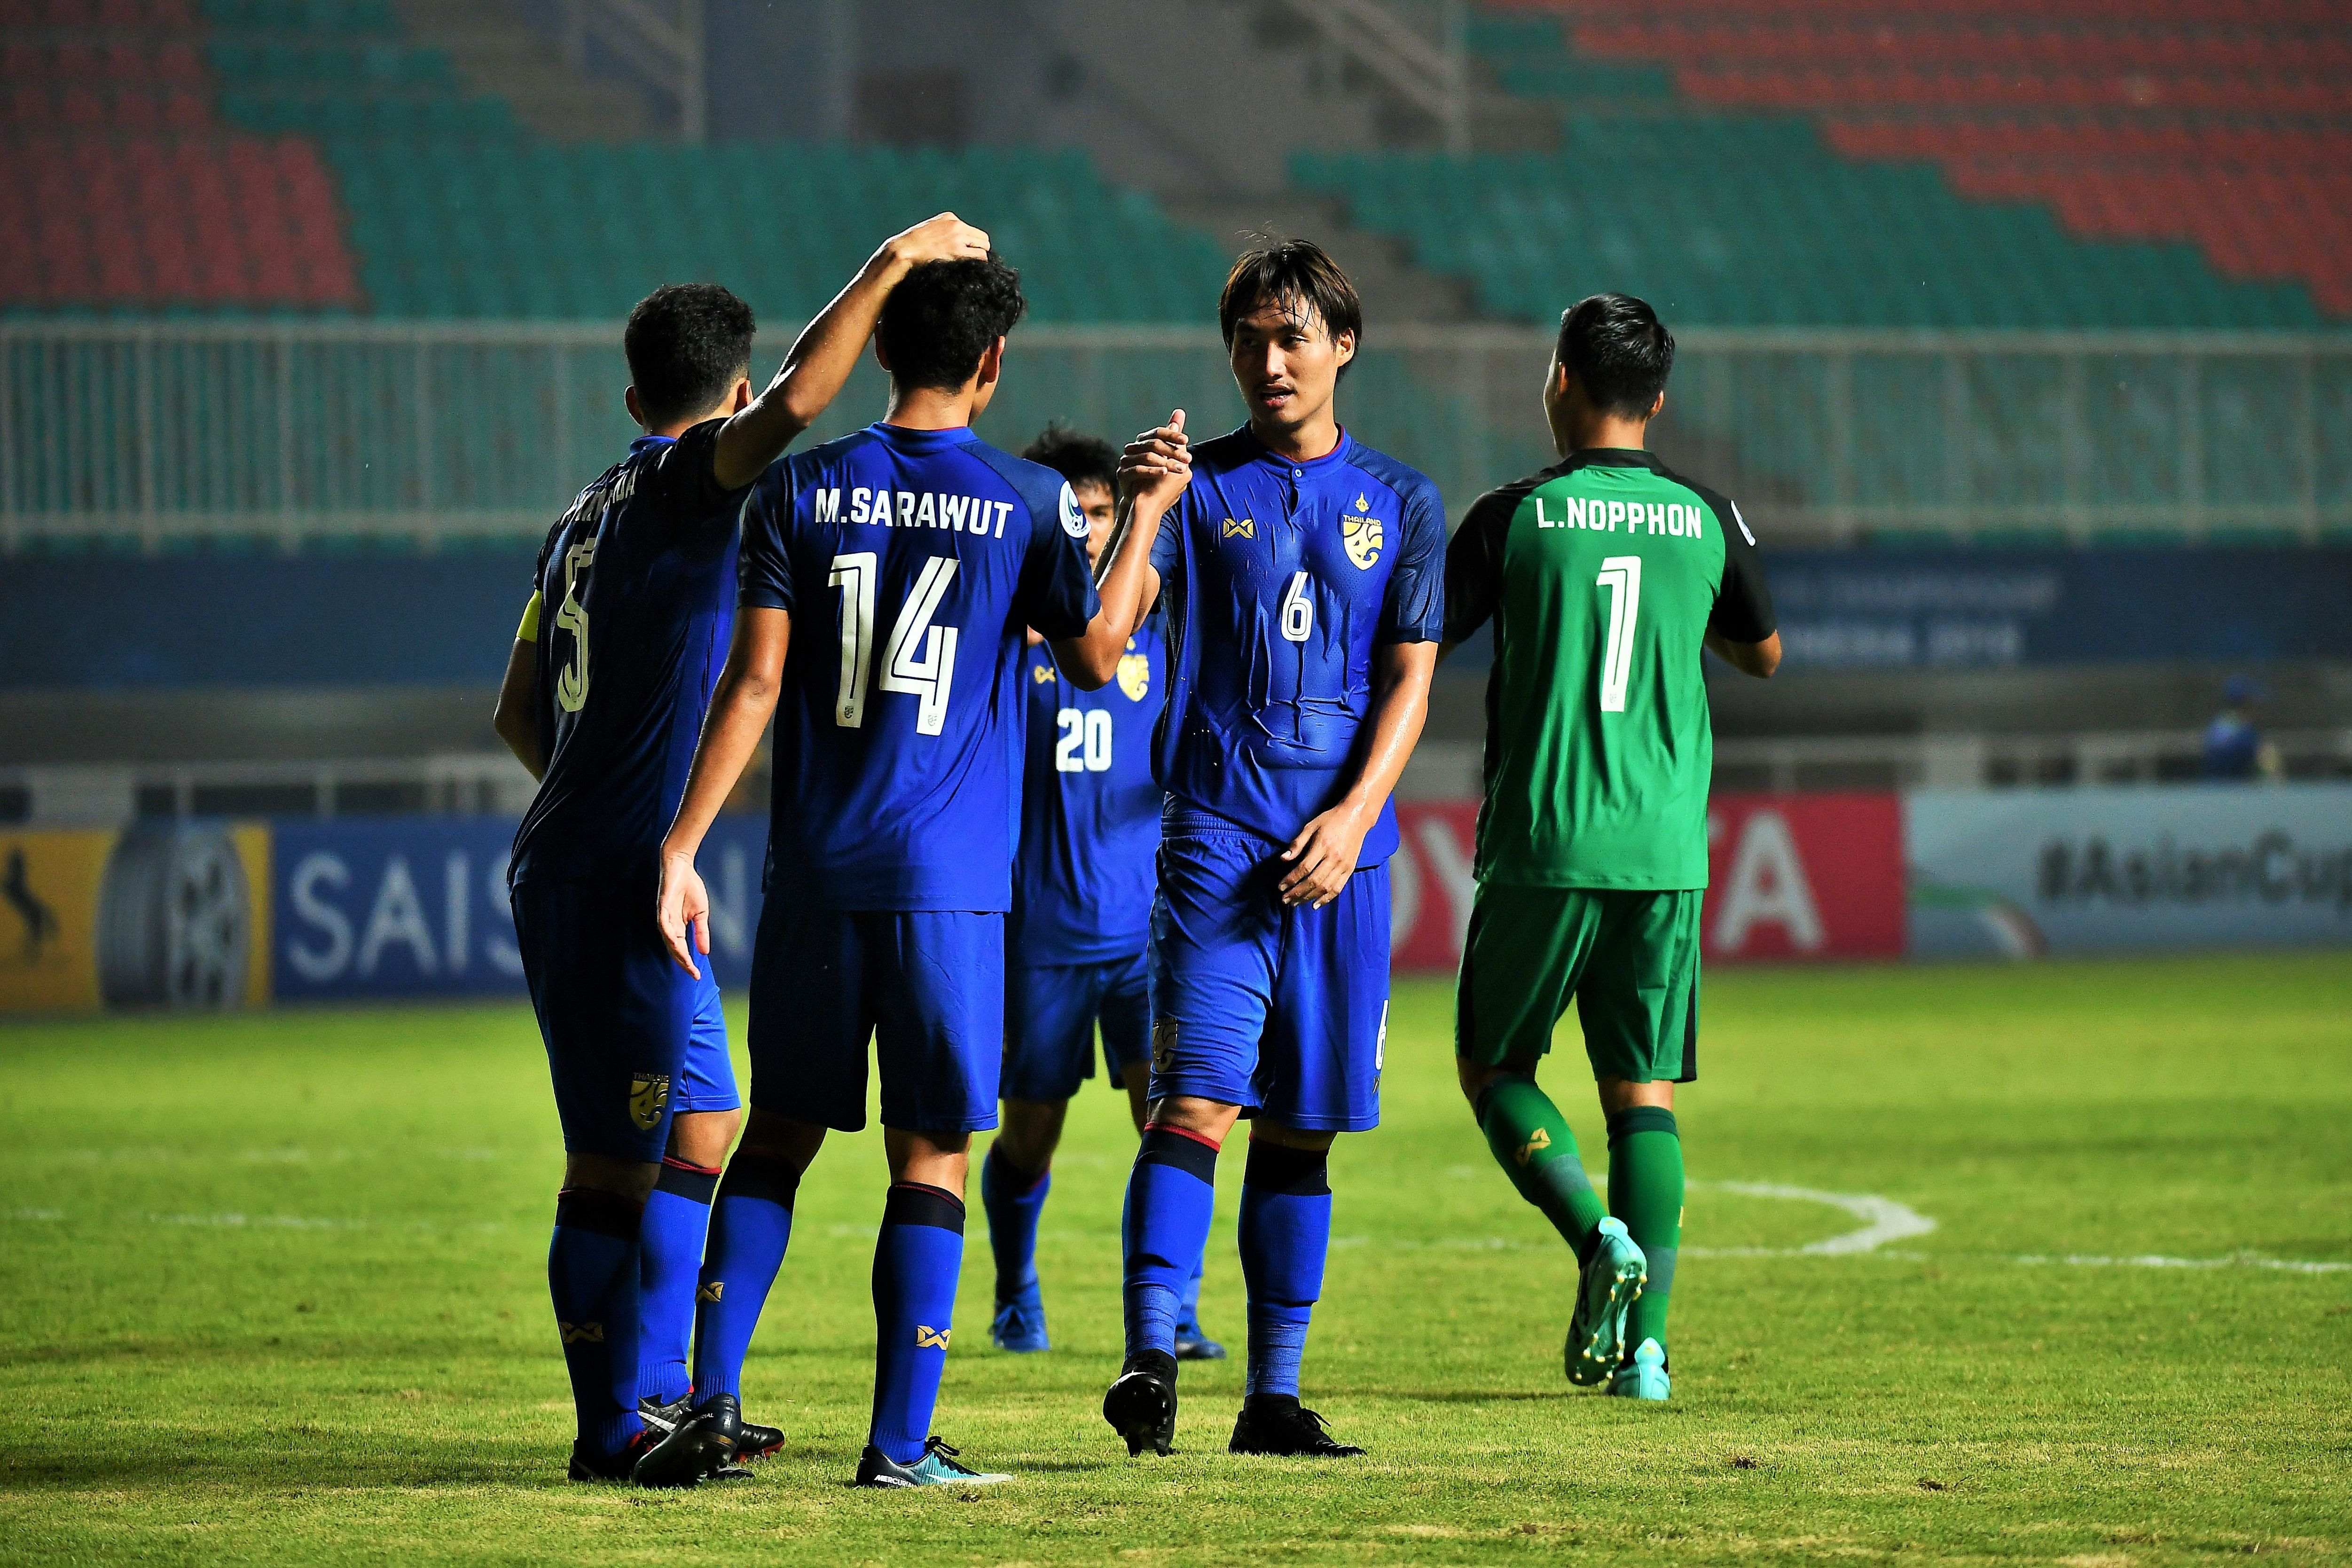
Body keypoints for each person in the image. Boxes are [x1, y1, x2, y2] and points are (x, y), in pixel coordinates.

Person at [488, 213, 993, 1488]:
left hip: (595, 856)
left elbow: (512, 710)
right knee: (614, 1159)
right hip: (615, 875)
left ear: (629, 397)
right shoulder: (683, 485)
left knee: (705, 1119)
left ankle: (665, 1393)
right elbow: (799, 404)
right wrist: (889, 265)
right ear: (726, 395)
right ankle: (609, 1429)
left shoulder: (576, 517)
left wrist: (604, 804)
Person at [643, 254, 1153, 1488]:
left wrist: (680, 844)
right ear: (991, 364)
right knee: (930, 1156)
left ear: (879, 350)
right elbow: (1095, 656)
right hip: (950, 889)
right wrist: (1145, 516)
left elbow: (754, 684)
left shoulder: (796, 488)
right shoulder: (1030, 499)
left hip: (819, 874)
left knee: (776, 1141)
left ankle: (710, 1400)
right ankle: (896, 1445)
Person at [1098, 238, 1444, 1460]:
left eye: (1292, 336)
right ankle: (1150, 1361)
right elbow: (1104, 636)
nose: (1269, 361)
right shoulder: (1194, 490)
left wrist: (1353, 819)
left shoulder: (1403, 500)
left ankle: (1273, 1400)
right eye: (1248, 340)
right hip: (1215, 836)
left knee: (1303, 1128)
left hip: (1345, 855)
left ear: (1344, 345)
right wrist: (1142, 510)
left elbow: (1410, 682)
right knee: (1193, 1100)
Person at [1439, 292, 1780, 1405]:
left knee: (1495, 1069)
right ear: (1659, 399)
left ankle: (1597, 1238)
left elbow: (1420, 637)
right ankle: (1647, 1358)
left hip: (1543, 836)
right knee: (1644, 1095)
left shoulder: (1513, 516)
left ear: (1559, 380)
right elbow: (1764, 652)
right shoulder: (1706, 514)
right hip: (1665, 847)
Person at [980, 423, 1224, 1363]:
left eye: (1101, 512)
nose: (1088, 530)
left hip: (1144, 939)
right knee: (1029, 1135)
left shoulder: (1155, 628)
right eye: (1073, 513)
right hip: (1040, 938)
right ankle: (1015, 1292)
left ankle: (1173, 1311)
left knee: (1167, 1127)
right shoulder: (1010, 639)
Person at [2201, 674, 2281, 781]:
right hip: (2228, 787)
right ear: (2246, 703)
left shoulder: (2220, 722)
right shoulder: (2239, 731)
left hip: (2221, 786)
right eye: (2255, 703)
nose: (2259, 709)